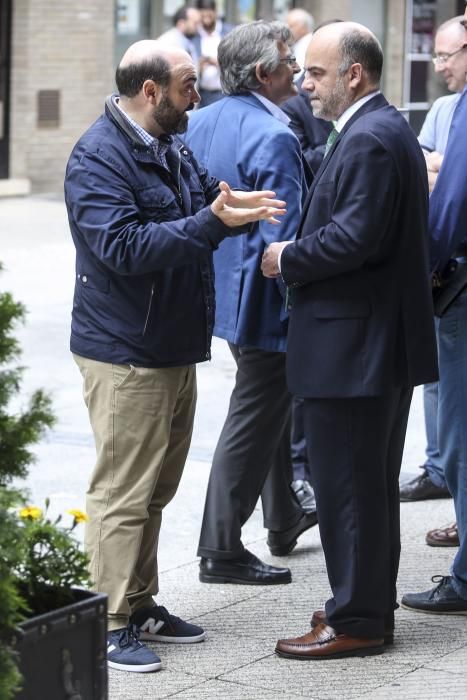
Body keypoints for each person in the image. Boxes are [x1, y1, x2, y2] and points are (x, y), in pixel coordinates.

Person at [64, 40, 286, 673]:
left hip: (169, 345)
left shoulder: (169, 145)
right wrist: (214, 223)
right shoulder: (98, 157)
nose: (202, 92)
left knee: (156, 489)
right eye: (190, 84)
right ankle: (104, 623)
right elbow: (126, 248)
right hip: (126, 352)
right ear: (152, 91)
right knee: (121, 493)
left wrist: (230, 211)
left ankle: (138, 603)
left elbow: (197, 211)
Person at [262, 21, 438, 659]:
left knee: (350, 491)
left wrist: (287, 256)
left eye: (314, 72)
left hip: (355, 350)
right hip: (366, 346)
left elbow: (353, 240)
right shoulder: (378, 129)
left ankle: (359, 621)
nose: (303, 84)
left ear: (353, 74)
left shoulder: (370, 137)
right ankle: (358, 603)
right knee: (362, 487)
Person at [185, 20, 317, 586]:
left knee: (268, 409)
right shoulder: (276, 135)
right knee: (256, 412)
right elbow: (280, 244)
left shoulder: (201, 120)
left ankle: (283, 517)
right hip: (265, 302)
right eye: (290, 62)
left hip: (218, 294)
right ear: (264, 73)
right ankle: (219, 546)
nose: (299, 71)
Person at [401, 8, 467, 617]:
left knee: (462, 430)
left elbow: (449, 199)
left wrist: (430, 268)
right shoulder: (449, 110)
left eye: (451, 52)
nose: (441, 64)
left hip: (461, 286)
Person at [196, 0, 232, 107]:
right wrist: (198, 67)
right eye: (203, 16)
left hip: (225, 93)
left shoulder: (229, 32)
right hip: (202, 94)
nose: (206, 20)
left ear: (215, 12)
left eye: (209, 15)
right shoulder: (195, 34)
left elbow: (238, 59)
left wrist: (220, 63)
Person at [286, 8, 315, 73]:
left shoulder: (307, 44)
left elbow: (300, 73)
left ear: (303, 27)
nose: (287, 29)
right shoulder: (301, 43)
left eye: (291, 26)